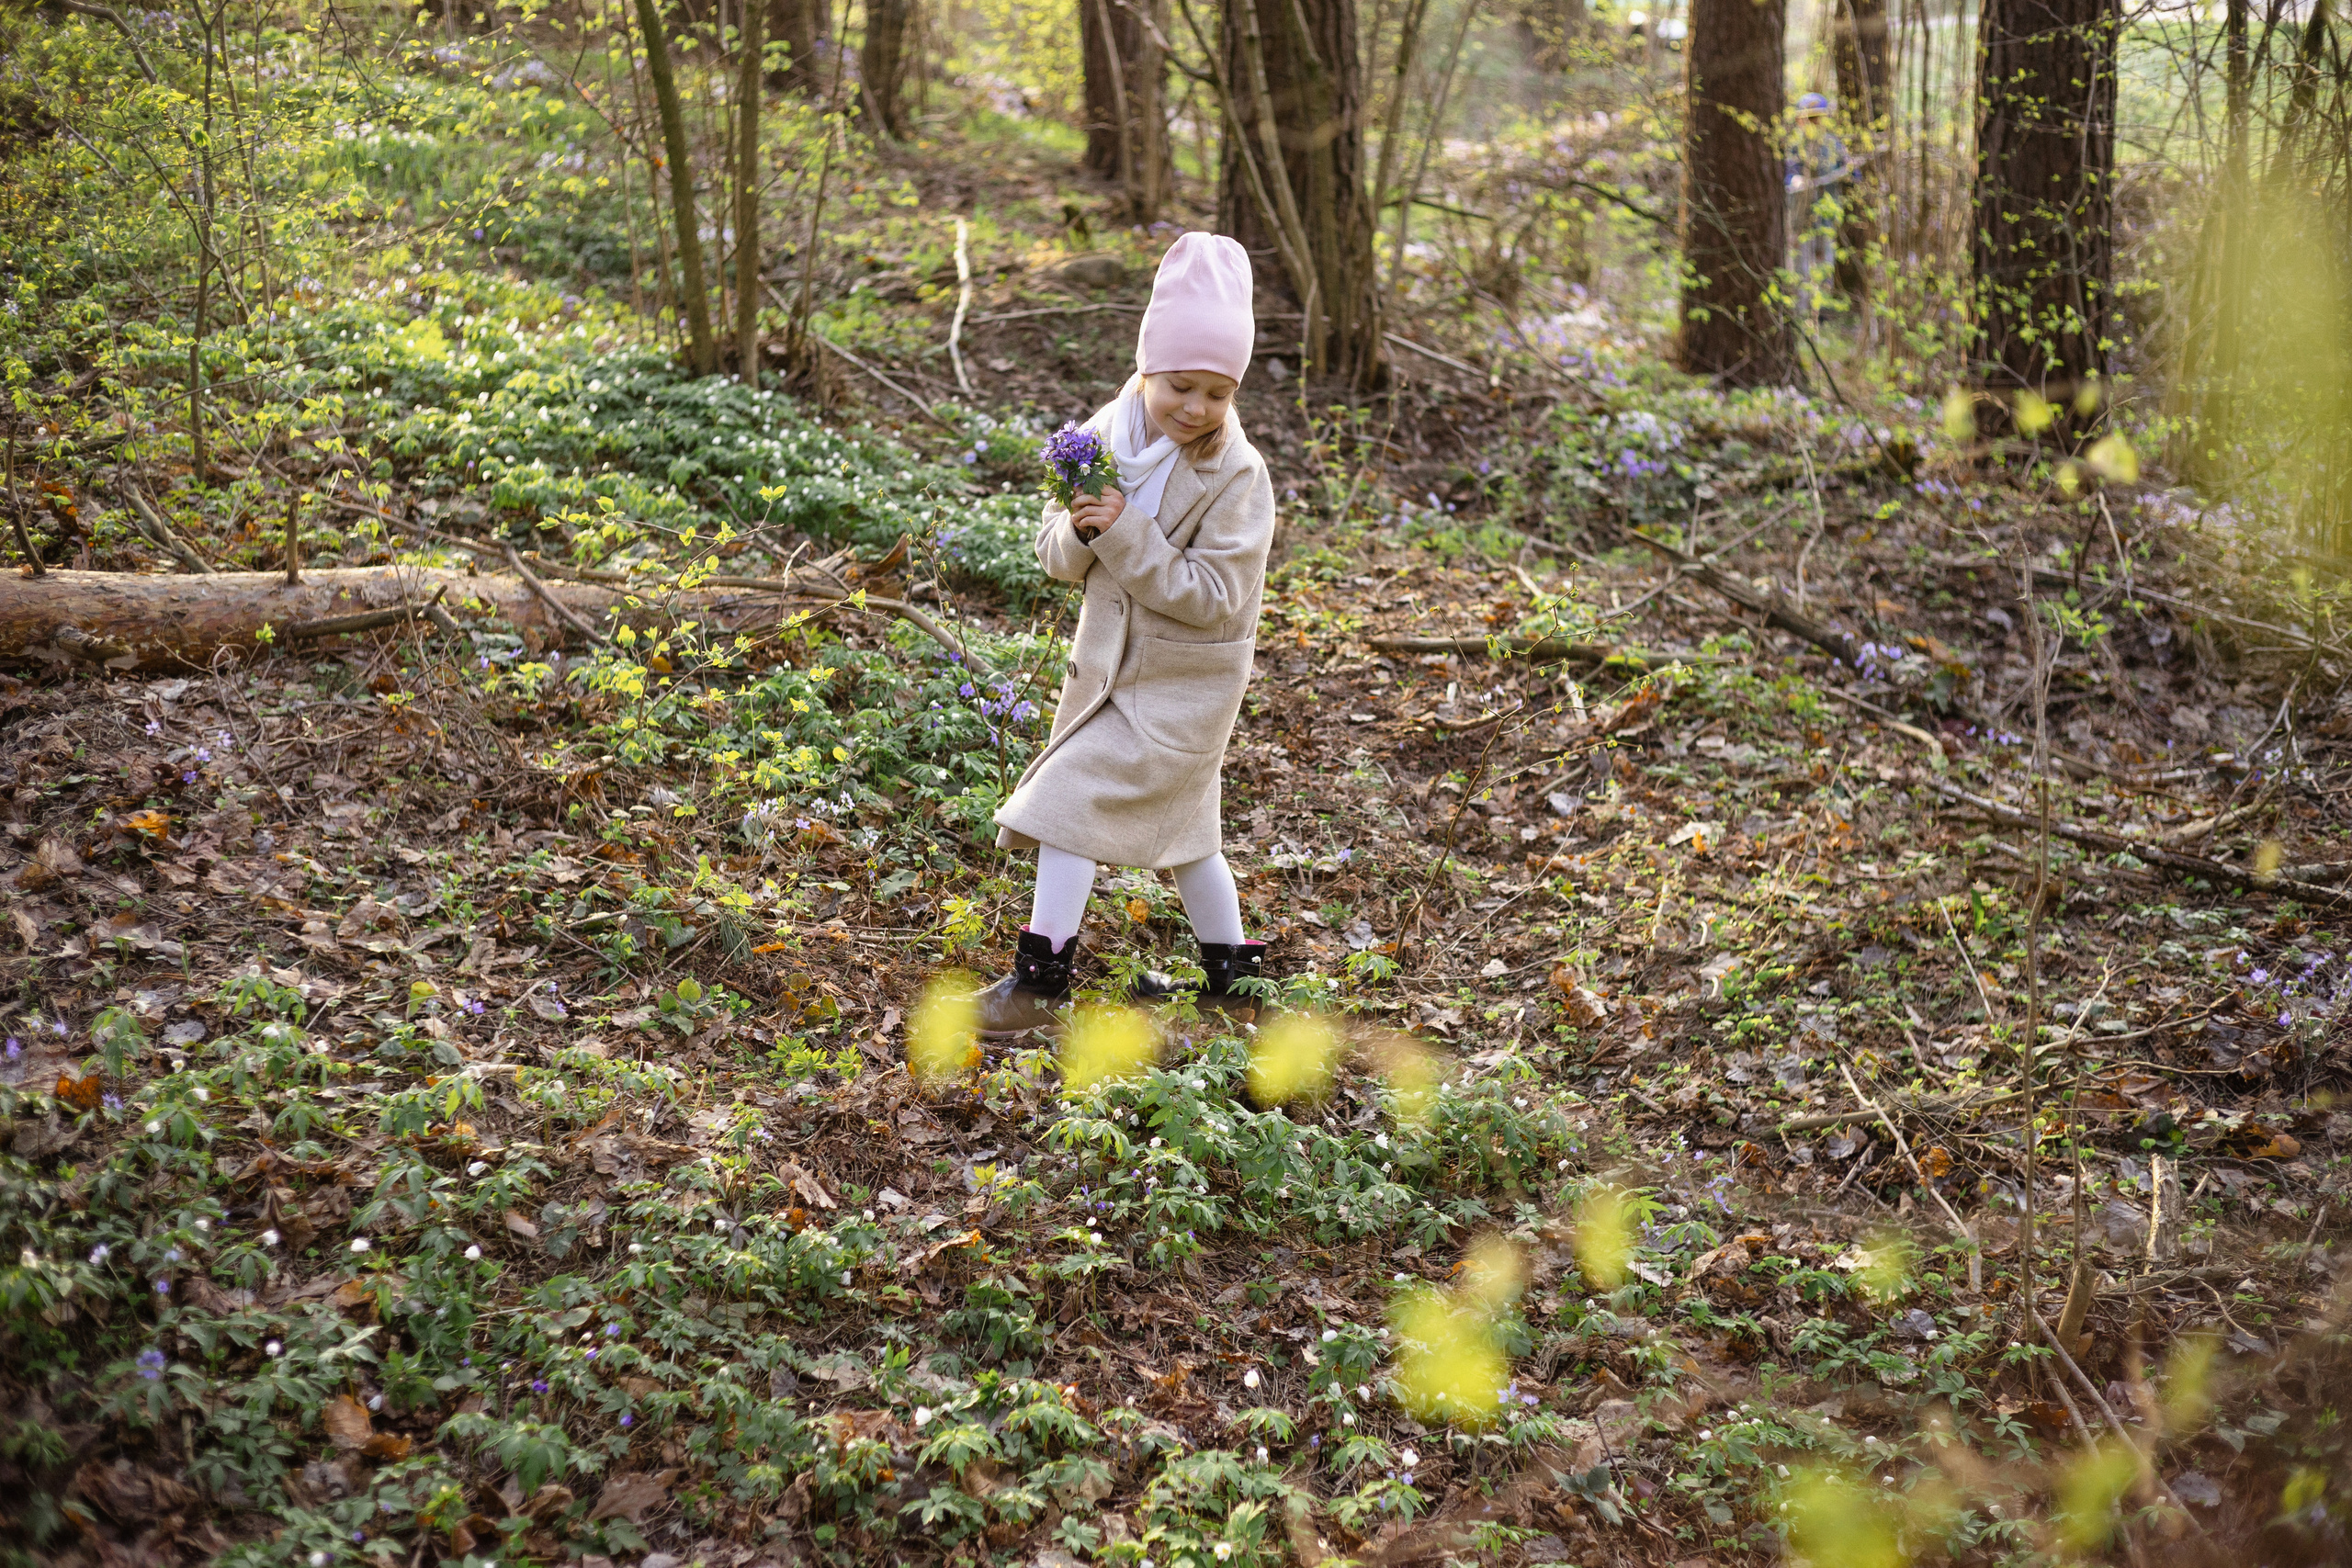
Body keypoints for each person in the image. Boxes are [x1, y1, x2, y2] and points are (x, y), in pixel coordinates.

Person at [971, 231, 1277, 1038]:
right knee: (1191, 841)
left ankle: (1039, 987)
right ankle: (1238, 987)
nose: (1196, 408)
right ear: (1147, 367)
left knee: (1065, 805)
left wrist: (1127, 532)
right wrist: (1084, 528)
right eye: (1180, 384)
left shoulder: (1238, 475)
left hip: (1183, 688)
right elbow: (1056, 553)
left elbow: (1213, 595)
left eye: (1218, 392)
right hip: (1109, 677)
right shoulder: (1105, 433)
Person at [1786, 92, 1850, 320]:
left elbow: (1853, 173)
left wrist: (1847, 171)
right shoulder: (1794, 146)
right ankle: (1800, 312)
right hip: (1799, 219)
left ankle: (1821, 313)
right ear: (1800, 120)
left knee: (1824, 265)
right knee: (1800, 266)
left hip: (1826, 218)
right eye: (1809, 118)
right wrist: (1795, 180)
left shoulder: (1834, 145)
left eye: (1818, 118)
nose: (1814, 123)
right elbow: (1786, 174)